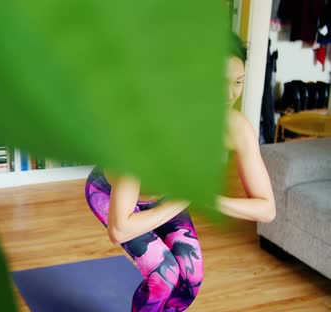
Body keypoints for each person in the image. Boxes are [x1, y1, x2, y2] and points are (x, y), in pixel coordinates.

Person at [84, 33, 276, 312]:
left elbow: (267, 209)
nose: (229, 94)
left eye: (238, 82)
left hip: (166, 196)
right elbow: (120, 228)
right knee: (164, 277)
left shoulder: (236, 128)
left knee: (191, 276)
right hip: (111, 193)